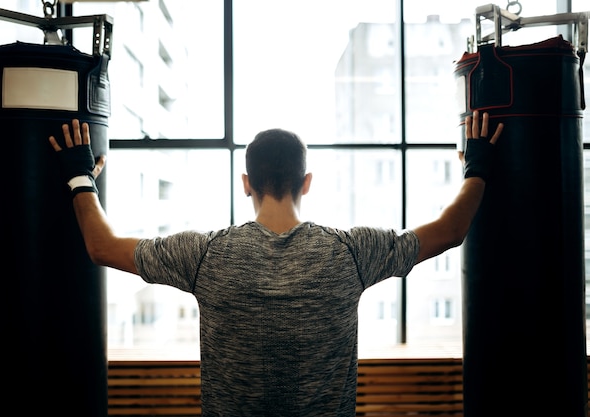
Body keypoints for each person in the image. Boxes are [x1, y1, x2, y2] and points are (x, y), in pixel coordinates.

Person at [48, 110, 503, 416]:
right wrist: (477, 167)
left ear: (246, 183)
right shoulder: (350, 252)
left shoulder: (205, 254)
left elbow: (102, 246)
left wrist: (79, 174)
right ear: (306, 182)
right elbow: (449, 231)